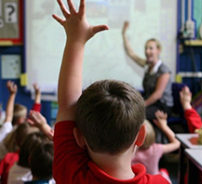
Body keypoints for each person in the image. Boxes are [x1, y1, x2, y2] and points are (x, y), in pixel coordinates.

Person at [51, 0, 169, 183]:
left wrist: (75, 40)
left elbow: (68, 106)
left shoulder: (70, 174)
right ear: (141, 136)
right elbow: (67, 106)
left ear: (79, 137)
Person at [122, 21, 173, 121]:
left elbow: (157, 95)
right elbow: (131, 54)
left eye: (151, 48)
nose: (147, 51)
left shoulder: (164, 71)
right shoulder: (147, 65)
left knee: (136, 115)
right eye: (146, 48)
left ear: (158, 50)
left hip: (162, 106)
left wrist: (141, 106)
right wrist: (123, 34)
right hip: (151, 103)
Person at [132, 111, 180, 181]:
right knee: (164, 172)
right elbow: (177, 143)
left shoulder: (130, 152)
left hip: (138, 181)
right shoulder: (156, 149)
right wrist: (164, 126)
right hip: (154, 180)